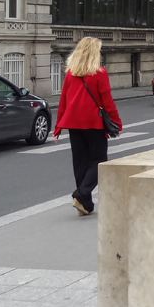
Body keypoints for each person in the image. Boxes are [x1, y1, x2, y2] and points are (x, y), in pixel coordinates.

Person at [53, 37, 122, 216]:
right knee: (99, 161)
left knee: (80, 163)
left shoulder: (70, 73)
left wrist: (59, 125)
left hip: (73, 124)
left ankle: (85, 204)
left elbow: (64, 101)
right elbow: (107, 101)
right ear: (94, 53)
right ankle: (81, 193)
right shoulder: (99, 73)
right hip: (93, 123)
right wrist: (116, 121)